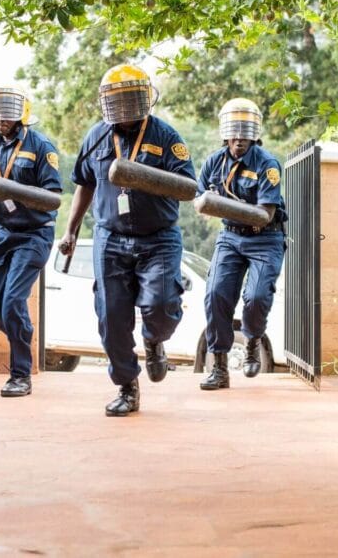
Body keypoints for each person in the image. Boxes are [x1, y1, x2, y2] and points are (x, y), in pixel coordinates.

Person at [59, 64, 195, 417]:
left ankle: (154, 340)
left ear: (144, 98)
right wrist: (71, 230)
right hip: (110, 237)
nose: (123, 108)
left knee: (162, 308)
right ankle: (127, 386)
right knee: (111, 316)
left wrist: (144, 178)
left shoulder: (167, 137)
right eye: (116, 101)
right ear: (107, 103)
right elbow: (84, 184)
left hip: (158, 238)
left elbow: (186, 188)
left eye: (130, 99)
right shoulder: (96, 137)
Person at [0, 87, 62, 398]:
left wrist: (16, 193)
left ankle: (20, 375)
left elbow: (53, 198)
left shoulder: (41, 147)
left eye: (7, 113)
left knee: (13, 302)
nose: (1, 119)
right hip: (0, 234)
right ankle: (22, 332)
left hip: (33, 234)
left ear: (20, 114)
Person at [197, 98, 287, 390]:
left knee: (257, 297)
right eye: (233, 133)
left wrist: (218, 204)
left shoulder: (267, 165)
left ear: (253, 134)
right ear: (226, 133)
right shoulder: (214, 162)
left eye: (244, 133)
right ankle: (220, 368)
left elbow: (266, 214)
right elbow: (199, 198)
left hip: (265, 237)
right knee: (215, 295)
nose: (238, 139)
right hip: (231, 236)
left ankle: (252, 340)